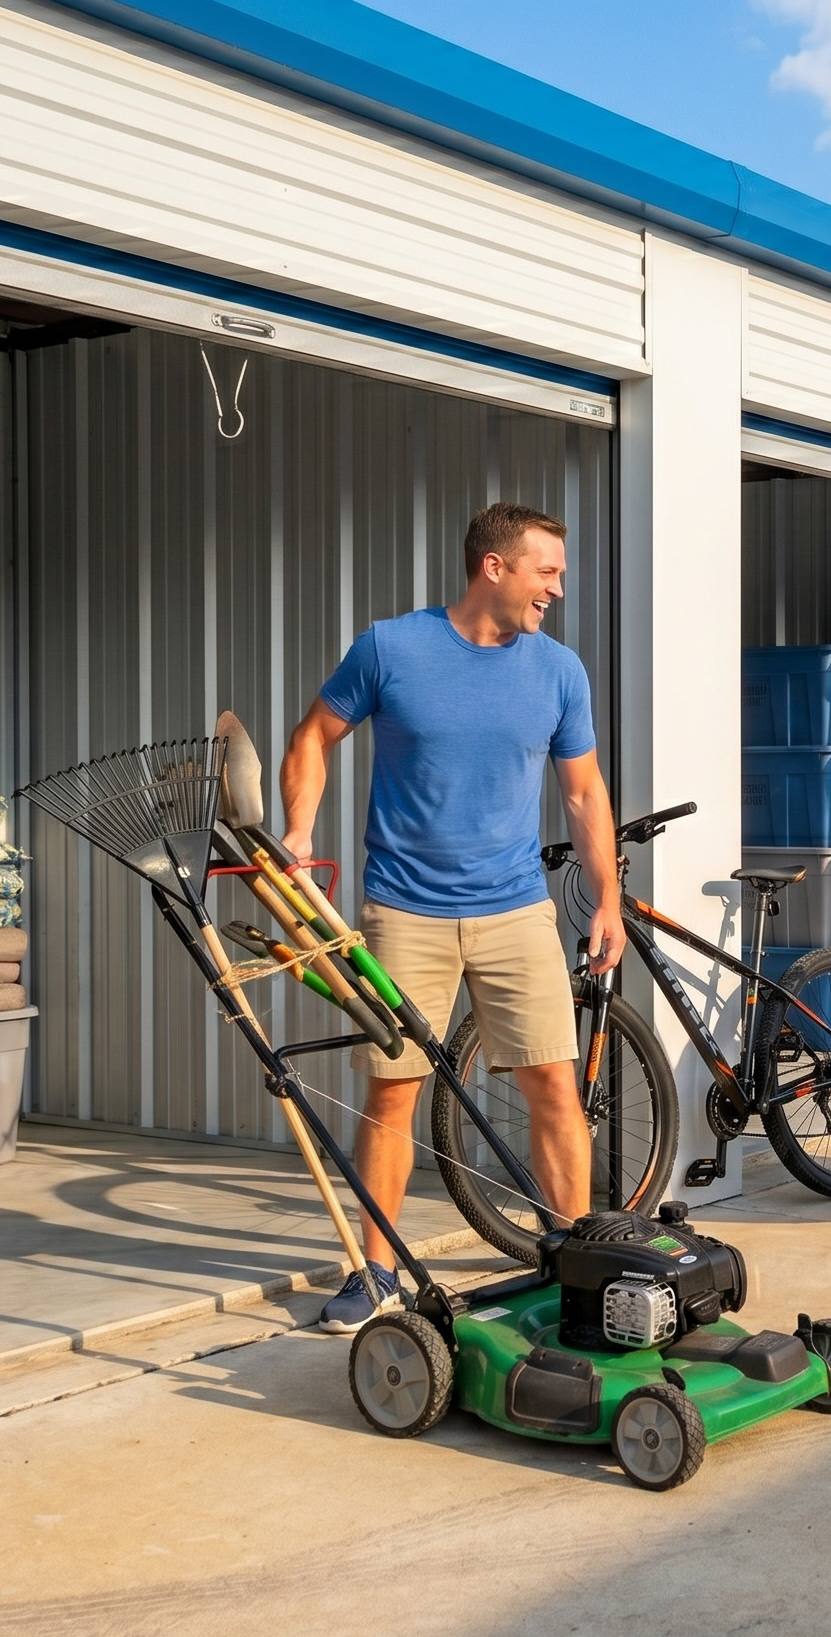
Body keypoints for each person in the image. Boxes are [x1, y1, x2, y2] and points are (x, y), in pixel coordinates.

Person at [281, 502, 627, 1332]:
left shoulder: (559, 671)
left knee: (554, 1085)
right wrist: (298, 830)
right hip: (406, 910)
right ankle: (377, 1271)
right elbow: (311, 738)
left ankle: (574, 1262)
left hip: (516, 909)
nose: (558, 588)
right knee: (394, 1090)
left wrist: (608, 899)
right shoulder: (391, 648)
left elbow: (584, 792)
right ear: (494, 566)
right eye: (547, 570)